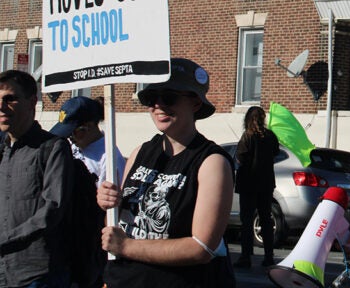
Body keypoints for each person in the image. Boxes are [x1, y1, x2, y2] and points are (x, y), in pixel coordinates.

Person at [96, 58, 235, 288]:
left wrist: (126, 246)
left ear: (195, 103)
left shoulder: (211, 162)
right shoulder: (140, 152)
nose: (158, 105)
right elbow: (119, 227)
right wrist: (109, 204)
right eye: (152, 98)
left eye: (169, 97)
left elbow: (202, 247)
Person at [0, 70, 74, 288]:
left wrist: (7, 240)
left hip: (37, 275)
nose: (2, 106)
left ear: (32, 102)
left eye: (10, 99)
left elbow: (52, 209)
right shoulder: (3, 150)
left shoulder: (53, 148)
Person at [233, 105, 280, 269]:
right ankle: (269, 256)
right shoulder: (270, 136)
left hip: (249, 183)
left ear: (247, 119)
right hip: (266, 183)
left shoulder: (247, 136)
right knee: (266, 219)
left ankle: (245, 256)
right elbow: (276, 152)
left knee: (246, 221)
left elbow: (240, 158)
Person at [50, 96, 127, 187]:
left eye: (73, 132)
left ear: (89, 126)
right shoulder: (71, 146)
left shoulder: (110, 158)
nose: (70, 138)